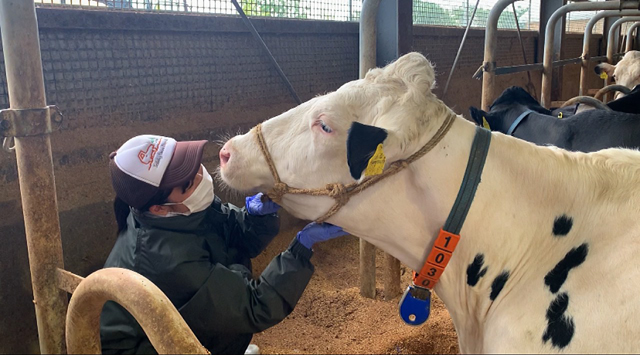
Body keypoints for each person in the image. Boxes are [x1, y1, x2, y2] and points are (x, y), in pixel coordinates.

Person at [100, 134, 347, 354]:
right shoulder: (168, 261)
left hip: (171, 314)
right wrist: (301, 247)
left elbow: (233, 234)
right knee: (228, 331)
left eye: (193, 166)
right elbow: (254, 305)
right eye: (188, 182)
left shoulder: (178, 210)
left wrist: (256, 217)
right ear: (158, 207)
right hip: (145, 345)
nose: (200, 176)